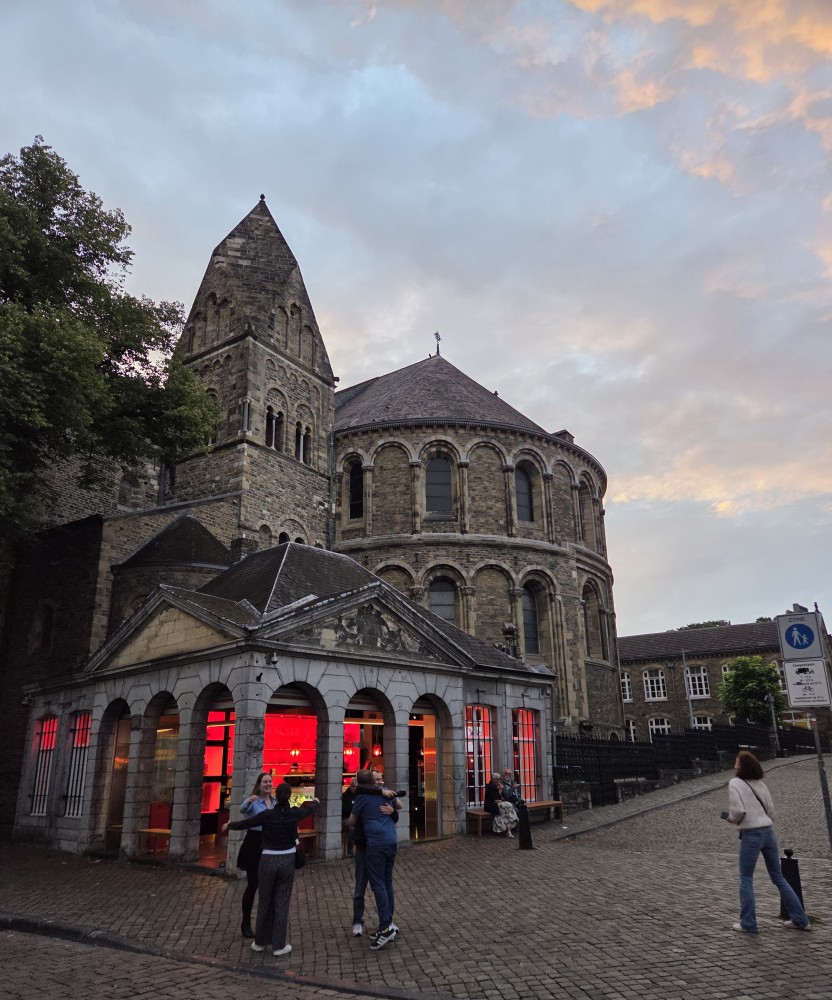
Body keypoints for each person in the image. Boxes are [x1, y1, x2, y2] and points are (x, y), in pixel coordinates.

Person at [225, 782, 319, 957]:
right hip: (287, 858)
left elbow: (248, 822)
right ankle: (278, 944)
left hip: (268, 858)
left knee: (265, 900)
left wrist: (231, 825)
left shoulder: (267, 815)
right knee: (281, 902)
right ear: (290, 797)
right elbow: (308, 810)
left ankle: (260, 942)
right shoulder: (293, 813)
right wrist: (315, 802)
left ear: (277, 796)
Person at [724, 750, 811, 933]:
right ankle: (801, 920)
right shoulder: (760, 784)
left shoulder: (735, 783)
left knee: (746, 878)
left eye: (737, 759)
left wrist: (731, 819)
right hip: (768, 832)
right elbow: (770, 810)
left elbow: (738, 811)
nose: (735, 761)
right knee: (778, 877)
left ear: (741, 765)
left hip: (751, 834)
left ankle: (748, 923)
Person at [349, 768, 402, 950]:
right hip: (391, 841)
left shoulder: (363, 797)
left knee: (378, 884)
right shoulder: (384, 792)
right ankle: (387, 923)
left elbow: (351, 821)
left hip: (376, 844)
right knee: (386, 882)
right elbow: (400, 804)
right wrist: (389, 804)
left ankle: (385, 927)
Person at [235, 772, 276, 938]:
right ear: (259, 785)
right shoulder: (254, 801)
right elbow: (242, 810)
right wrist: (248, 801)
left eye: (270, 781)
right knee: (253, 884)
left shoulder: (274, 802)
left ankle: (266, 923)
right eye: (265, 782)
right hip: (254, 843)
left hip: (269, 843)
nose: (268, 784)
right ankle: (246, 922)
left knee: (269, 886)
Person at [484, 772, 518, 837]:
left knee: (508, 807)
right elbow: (494, 799)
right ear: (494, 779)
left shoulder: (499, 786)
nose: (499, 780)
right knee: (506, 808)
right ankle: (509, 828)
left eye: (499, 779)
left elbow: (503, 798)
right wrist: (499, 792)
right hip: (491, 805)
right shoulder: (489, 786)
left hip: (500, 804)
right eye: (498, 779)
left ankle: (509, 830)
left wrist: (501, 793)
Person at [342, 776, 357, 857]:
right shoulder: (345, 796)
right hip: (346, 818)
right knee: (352, 828)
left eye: (356, 787)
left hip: (357, 818)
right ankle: (350, 849)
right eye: (353, 786)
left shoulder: (358, 795)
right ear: (350, 785)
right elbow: (344, 810)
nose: (355, 788)